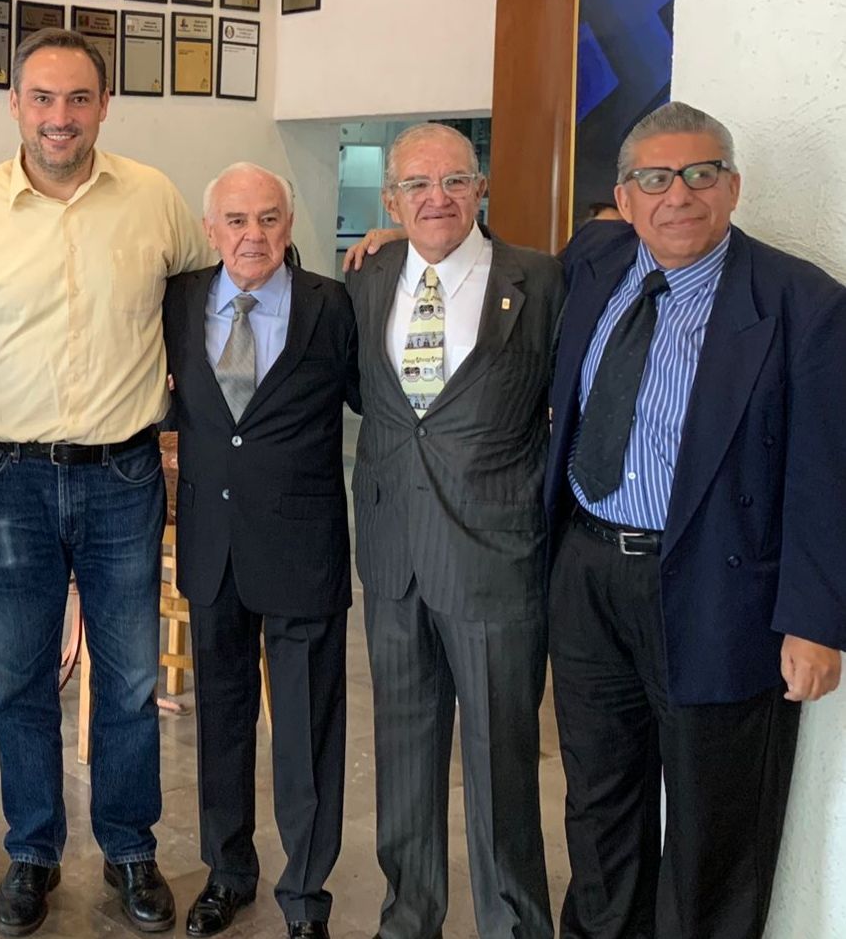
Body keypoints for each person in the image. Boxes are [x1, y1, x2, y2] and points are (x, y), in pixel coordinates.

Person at [0, 27, 211, 937]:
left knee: (128, 680)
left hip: (124, 471)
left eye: (78, 98)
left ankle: (129, 847)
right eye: (42, 97)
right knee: (17, 677)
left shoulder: (154, 199)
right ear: (14, 104)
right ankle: (32, 849)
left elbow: (214, 297)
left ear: (104, 105)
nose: (60, 116)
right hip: (10, 477)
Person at [546, 101, 846, 939]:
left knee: (718, 822)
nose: (678, 194)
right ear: (624, 199)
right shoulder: (596, 261)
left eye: (700, 173)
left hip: (720, 589)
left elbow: (827, 475)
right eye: (655, 178)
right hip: (588, 574)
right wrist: (399, 243)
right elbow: (502, 273)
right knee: (599, 799)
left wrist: (817, 622)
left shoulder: (802, 303)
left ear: (733, 187)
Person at [345, 123, 561, 939]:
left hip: (495, 562)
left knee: (502, 762)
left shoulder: (541, 281)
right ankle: (409, 917)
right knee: (403, 755)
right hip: (395, 556)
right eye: (417, 184)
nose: (436, 197)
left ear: (480, 188)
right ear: (391, 199)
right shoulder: (366, 278)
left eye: (454, 180)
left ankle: (514, 924)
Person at [162, 163, 357, 939]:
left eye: (269, 218)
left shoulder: (332, 305)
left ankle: (305, 894)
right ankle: (227, 871)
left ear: (289, 223)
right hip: (213, 546)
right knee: (221, 719)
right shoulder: (177, 299)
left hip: (302, 547)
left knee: (307, 729)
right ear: (210, 230)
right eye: (237, 220)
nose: (254, 235)